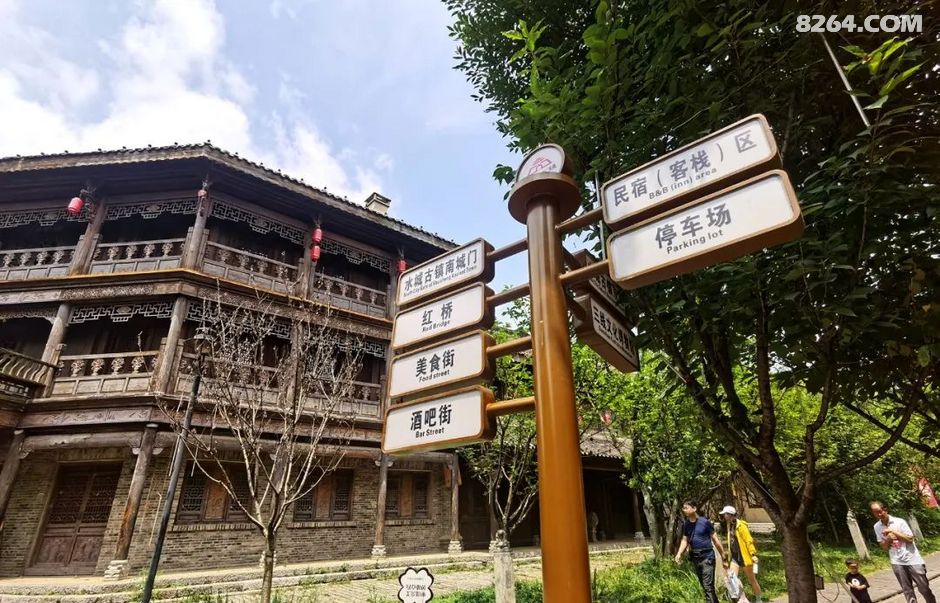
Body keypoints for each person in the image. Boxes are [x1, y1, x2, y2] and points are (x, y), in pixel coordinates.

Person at [870, 501, 937, 603]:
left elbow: (910, 539)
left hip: (913, 559)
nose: (879, 514)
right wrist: (888, 539)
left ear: (885, 510)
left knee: (924, 588)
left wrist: (893, 531)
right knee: (907, 591)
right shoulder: (877, 527)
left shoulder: (899, 522)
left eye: (880, 511)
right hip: (897, 561)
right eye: (875, 513)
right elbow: (884, 547)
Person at [675, 499, 728, 603]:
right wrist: (679, 553)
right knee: (706, 586)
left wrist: (723, 556)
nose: (684, 510)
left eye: (686, 508)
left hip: (707, 557)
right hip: (695, 558)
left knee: (708, 586)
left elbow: (715, 540)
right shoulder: (686, 524)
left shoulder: (705, 522)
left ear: (694, 508)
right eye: (683, 508)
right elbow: (685, 540)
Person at [720, 505, 763, 603]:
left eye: (725, 514)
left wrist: (753, 554)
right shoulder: (729, 525)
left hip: (744, 556)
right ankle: (742, 599)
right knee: (732, 578)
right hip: (735, 557)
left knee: (752, 580)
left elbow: (748, 540)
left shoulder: (741, 525)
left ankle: (759, 599)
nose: (724, 516)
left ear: (730, 515)